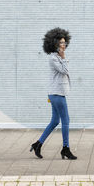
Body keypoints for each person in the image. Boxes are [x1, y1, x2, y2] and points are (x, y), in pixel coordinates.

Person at [30, 27, 77, 160]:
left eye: (64, 42)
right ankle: (65, 149)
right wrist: (64, 57)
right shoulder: (53, 58)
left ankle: (38, 144)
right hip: (57, 94)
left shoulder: (57, 57)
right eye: (61, 43)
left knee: (55, 121)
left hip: (56, 93)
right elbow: (64, 70)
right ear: (54, 44)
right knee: (66, 121)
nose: (64, 45)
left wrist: (62, 57)